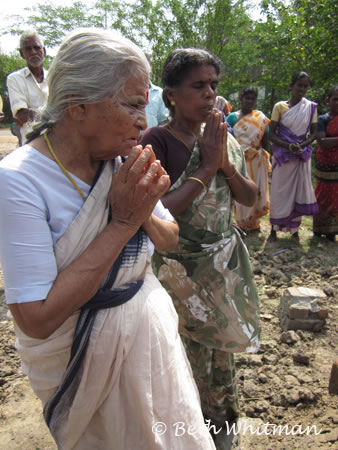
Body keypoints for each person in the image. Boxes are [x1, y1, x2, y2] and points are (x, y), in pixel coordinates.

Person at [0, 29, 216, 450]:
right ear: (80, 105)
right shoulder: (19, 181)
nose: (145, 120)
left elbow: (169, 238)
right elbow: (37, 319)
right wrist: (122, 224)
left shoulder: (124, 159)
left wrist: (144, 212)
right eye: (134, 105)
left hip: (149, 338)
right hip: (83, 366)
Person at [140, 48, 260, 445]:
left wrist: (223, 162)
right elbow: (156, 215)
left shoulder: (222, 138)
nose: (209, 94)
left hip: (222, 267)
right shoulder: (157, 141)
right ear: (172, 94)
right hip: (179, 273)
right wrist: (206, 167)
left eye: (213, 85)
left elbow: (248, 197)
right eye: (198, 86)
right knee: (184, 352)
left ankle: (221, 422)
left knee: (221, 354)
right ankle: (186, 430)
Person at [268, 71, 318, 242]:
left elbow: (313, 134)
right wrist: (288, 146)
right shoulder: (279, 107)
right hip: (282, 156)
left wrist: (301, 146)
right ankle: (273, 229)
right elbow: (271, 134)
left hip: (300, 156)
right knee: (278, 192)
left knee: (296, 192)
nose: (302, 89)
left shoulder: (311, 107)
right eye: (299, 85)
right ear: (291, 86)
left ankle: (294, 230)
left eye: (305, 86)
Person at [227, 86, 271, 231]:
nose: (250, 101)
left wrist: (264, 156)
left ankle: (253, 222)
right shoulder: (232, 117)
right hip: (238, 159)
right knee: (239, 188)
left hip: (256, 161)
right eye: (247, 98)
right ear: (241, 99)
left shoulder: (260, 119)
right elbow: (228, 139)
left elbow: (265, 141)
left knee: (255, 190)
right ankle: (240, 222)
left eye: (253, 99)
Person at [6, 29, 48, 144]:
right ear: (21, 53)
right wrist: (55, 114)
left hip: (60, 144)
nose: (33, 52)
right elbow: (22, 116)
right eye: (28, 49)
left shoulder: (54, 77)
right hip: (32, 146)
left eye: (37, 47)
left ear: (44, 51)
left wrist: (34, 114)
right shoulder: (14, 79)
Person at [313, 85, 338, 242]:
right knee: (322, 195)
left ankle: (332, 230)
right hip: (324, 164)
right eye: (335, 99)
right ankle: (319, 228)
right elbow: (322, 142)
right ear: (328, 100)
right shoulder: (322, 119)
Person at [143, 52, 169, 131]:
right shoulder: (126, 91)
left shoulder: (159, 93)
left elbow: (164, 121)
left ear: (150, 68)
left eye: (145, 66)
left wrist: (151, 136)